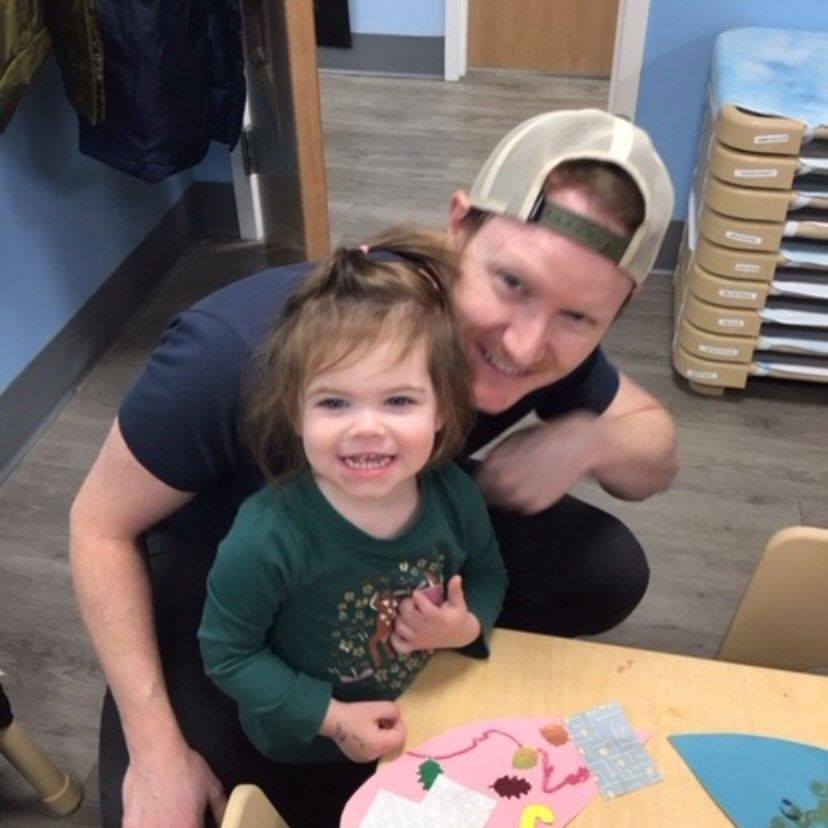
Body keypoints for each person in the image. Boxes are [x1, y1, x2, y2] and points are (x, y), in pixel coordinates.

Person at [69, 108, 678, 827]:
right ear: (460, 227)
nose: (524, 344)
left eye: (579, 318)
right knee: (183, 805)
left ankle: (437, 667)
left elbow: (654, 446)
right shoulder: (231, 353)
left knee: (603, 564)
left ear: (616, 310)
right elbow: (98, 526)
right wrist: (157, 750)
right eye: (511, 283)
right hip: (225, 564)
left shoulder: (548, 343)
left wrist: (586, 440)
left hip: (400, 514)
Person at [196, 233, 507, 825]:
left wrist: (465, 625)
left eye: (397, 401)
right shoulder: (267, 536)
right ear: (296, 413)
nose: (366, 428)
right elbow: (228, 655)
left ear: (442, 409)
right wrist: (334, 720)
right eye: (335, 403)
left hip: (427, 725)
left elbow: (488, 574)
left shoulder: (454, 497)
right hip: (302, 753)